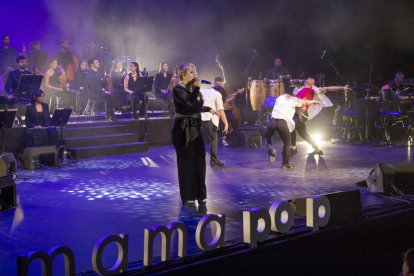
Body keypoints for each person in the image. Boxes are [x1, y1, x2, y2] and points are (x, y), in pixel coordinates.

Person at [171, 63, 215, 208]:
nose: (195, 75)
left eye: (195, 72)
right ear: (183, 74)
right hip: (183, 130)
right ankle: (189, 196)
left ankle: (200, 194)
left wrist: (207, 108)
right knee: (186, 163)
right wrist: (196, 87)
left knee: (199, 162)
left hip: (196, 128)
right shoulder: (178, 89)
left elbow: (195, 106)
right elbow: (189, 103)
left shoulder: (191, 89)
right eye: (191, 72)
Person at [291, 77, 349, 155]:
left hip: (302, 113)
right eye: (309, 78)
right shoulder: (300, 89)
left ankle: (293, 147)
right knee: (303, 134)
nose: (310, 79)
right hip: (294, 112)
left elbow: (328, 88)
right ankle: (317, 149)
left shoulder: (314, 90)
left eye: (312, 79)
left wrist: (343, 88)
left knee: (291, 125)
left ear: (313, 83)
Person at [263, 94, 319, 169]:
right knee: (287, 143)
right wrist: (313, 101)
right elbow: (304, 102)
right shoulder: (295, 100)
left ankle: (270, 150)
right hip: (282, 123)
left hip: (272, 121)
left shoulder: (280, 97)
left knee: (266, 137)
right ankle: (285, 163)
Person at [201, 87, 228, 167]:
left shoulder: (202, 90)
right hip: (207, 118)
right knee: (214, 138)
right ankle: (214, 161)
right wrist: (226, 124)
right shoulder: (217, 94)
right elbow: (221, 110)